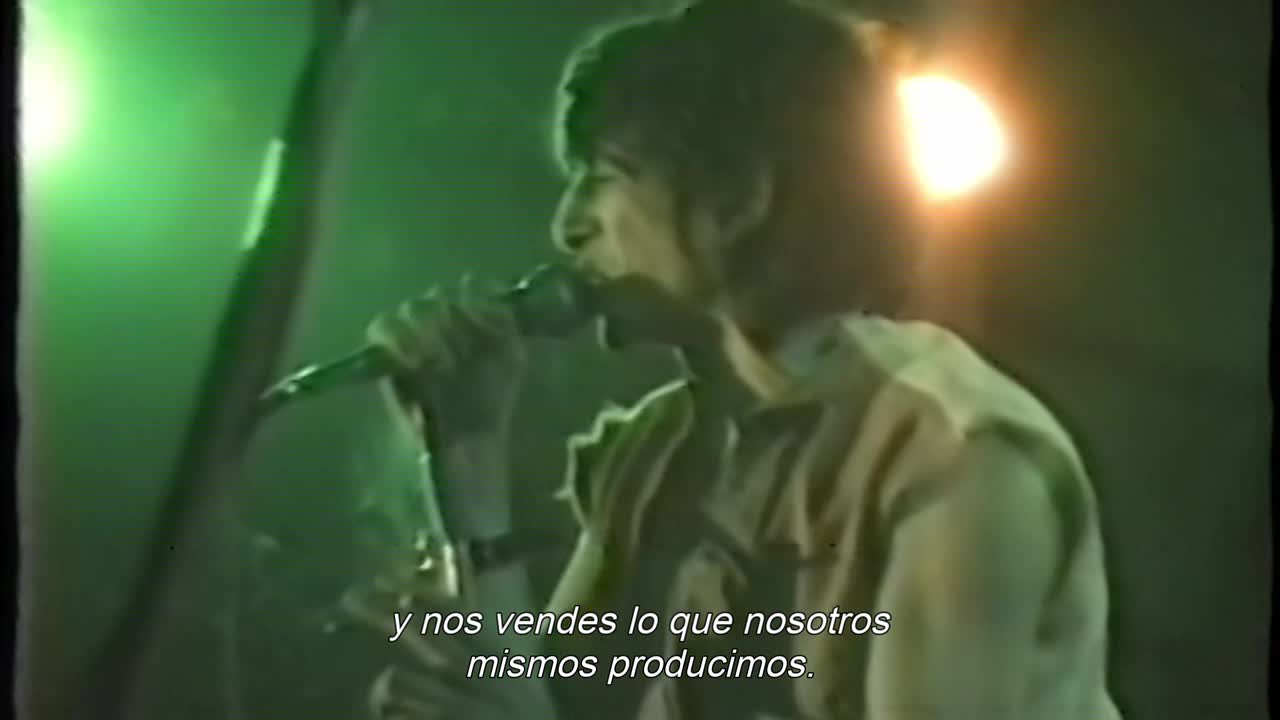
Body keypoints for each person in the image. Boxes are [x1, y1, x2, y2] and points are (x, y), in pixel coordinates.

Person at [351, 0, 1124, 718]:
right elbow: (543, 700)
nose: (569, 226)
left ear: (737, 198)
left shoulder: (956, 459)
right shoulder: (654, 448)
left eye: (605, 178)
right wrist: (468, 457)